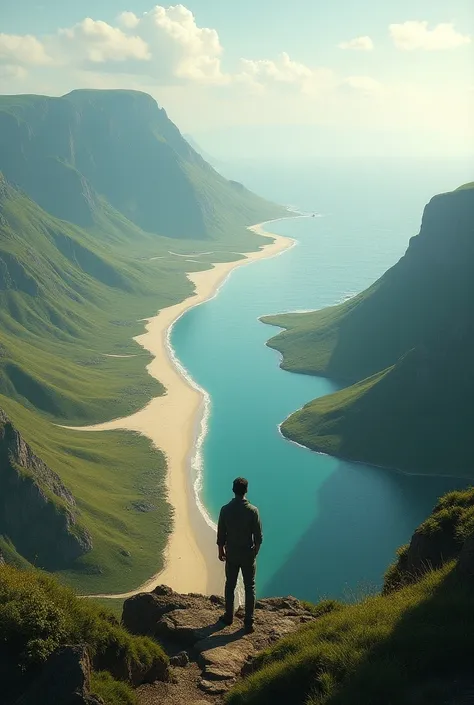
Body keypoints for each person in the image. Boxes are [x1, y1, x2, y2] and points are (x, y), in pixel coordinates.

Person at [216, 477, 263, 633]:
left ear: (233, 490)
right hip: (247, 554)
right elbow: (258, 537)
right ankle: (248, 622)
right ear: (246, 490)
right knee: (250, 587)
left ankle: (228, 617)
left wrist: (220, 551)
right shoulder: (253, 511)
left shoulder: (225, 509)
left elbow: (221, 533)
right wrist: (255, 551)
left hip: (232, 554)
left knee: (230, 585)